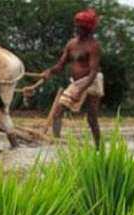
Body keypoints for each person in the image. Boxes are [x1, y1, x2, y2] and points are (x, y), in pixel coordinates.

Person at [40, 9, 103, 145]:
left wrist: (80, 91)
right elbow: (61, 65)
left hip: (91, 82)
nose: (76, 29)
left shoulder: (93, 46)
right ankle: (57, 143)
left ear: (87, 30)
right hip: (76, 83)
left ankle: (99, 148)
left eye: (79, 27)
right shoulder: (71, 44)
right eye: (76, 26)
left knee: (91, 117)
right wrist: (49, 72)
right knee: (57, 112)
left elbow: (93, 72)